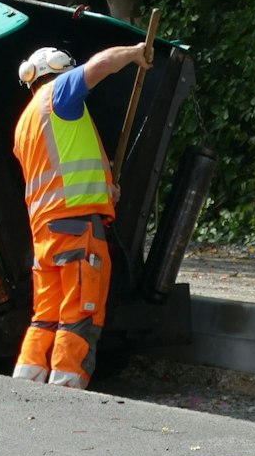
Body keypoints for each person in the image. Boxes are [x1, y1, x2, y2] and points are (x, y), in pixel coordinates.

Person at [10, 41, 151, 389]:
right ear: (58, 73)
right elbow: (99, 65)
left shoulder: (26, 122)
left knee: (46, 315)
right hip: (75, 227)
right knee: (80, 312)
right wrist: (134, 52)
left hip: (46, 232)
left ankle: (26, 381)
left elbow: (61, 170)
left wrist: (106, 189)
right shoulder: (59, 94)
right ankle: (66, 388)